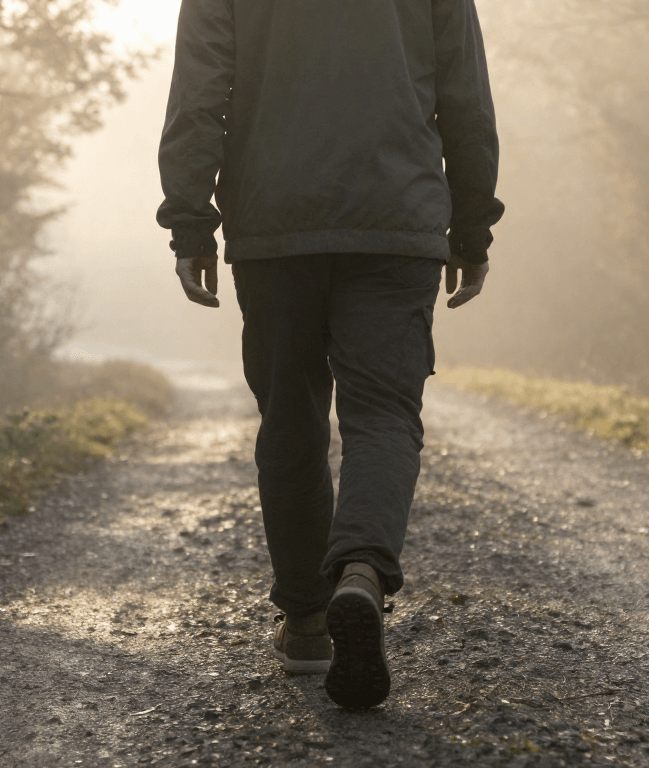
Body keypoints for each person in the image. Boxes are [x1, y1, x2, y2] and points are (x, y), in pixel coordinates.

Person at [157, 0, 503, 709]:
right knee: (383, 414)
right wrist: (471, 225)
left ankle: (309, 622)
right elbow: (465, 91)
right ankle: (362, 574)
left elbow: (200, 92)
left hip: (275, 221)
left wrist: (191, 221)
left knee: (291, 416)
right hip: (395, 220)